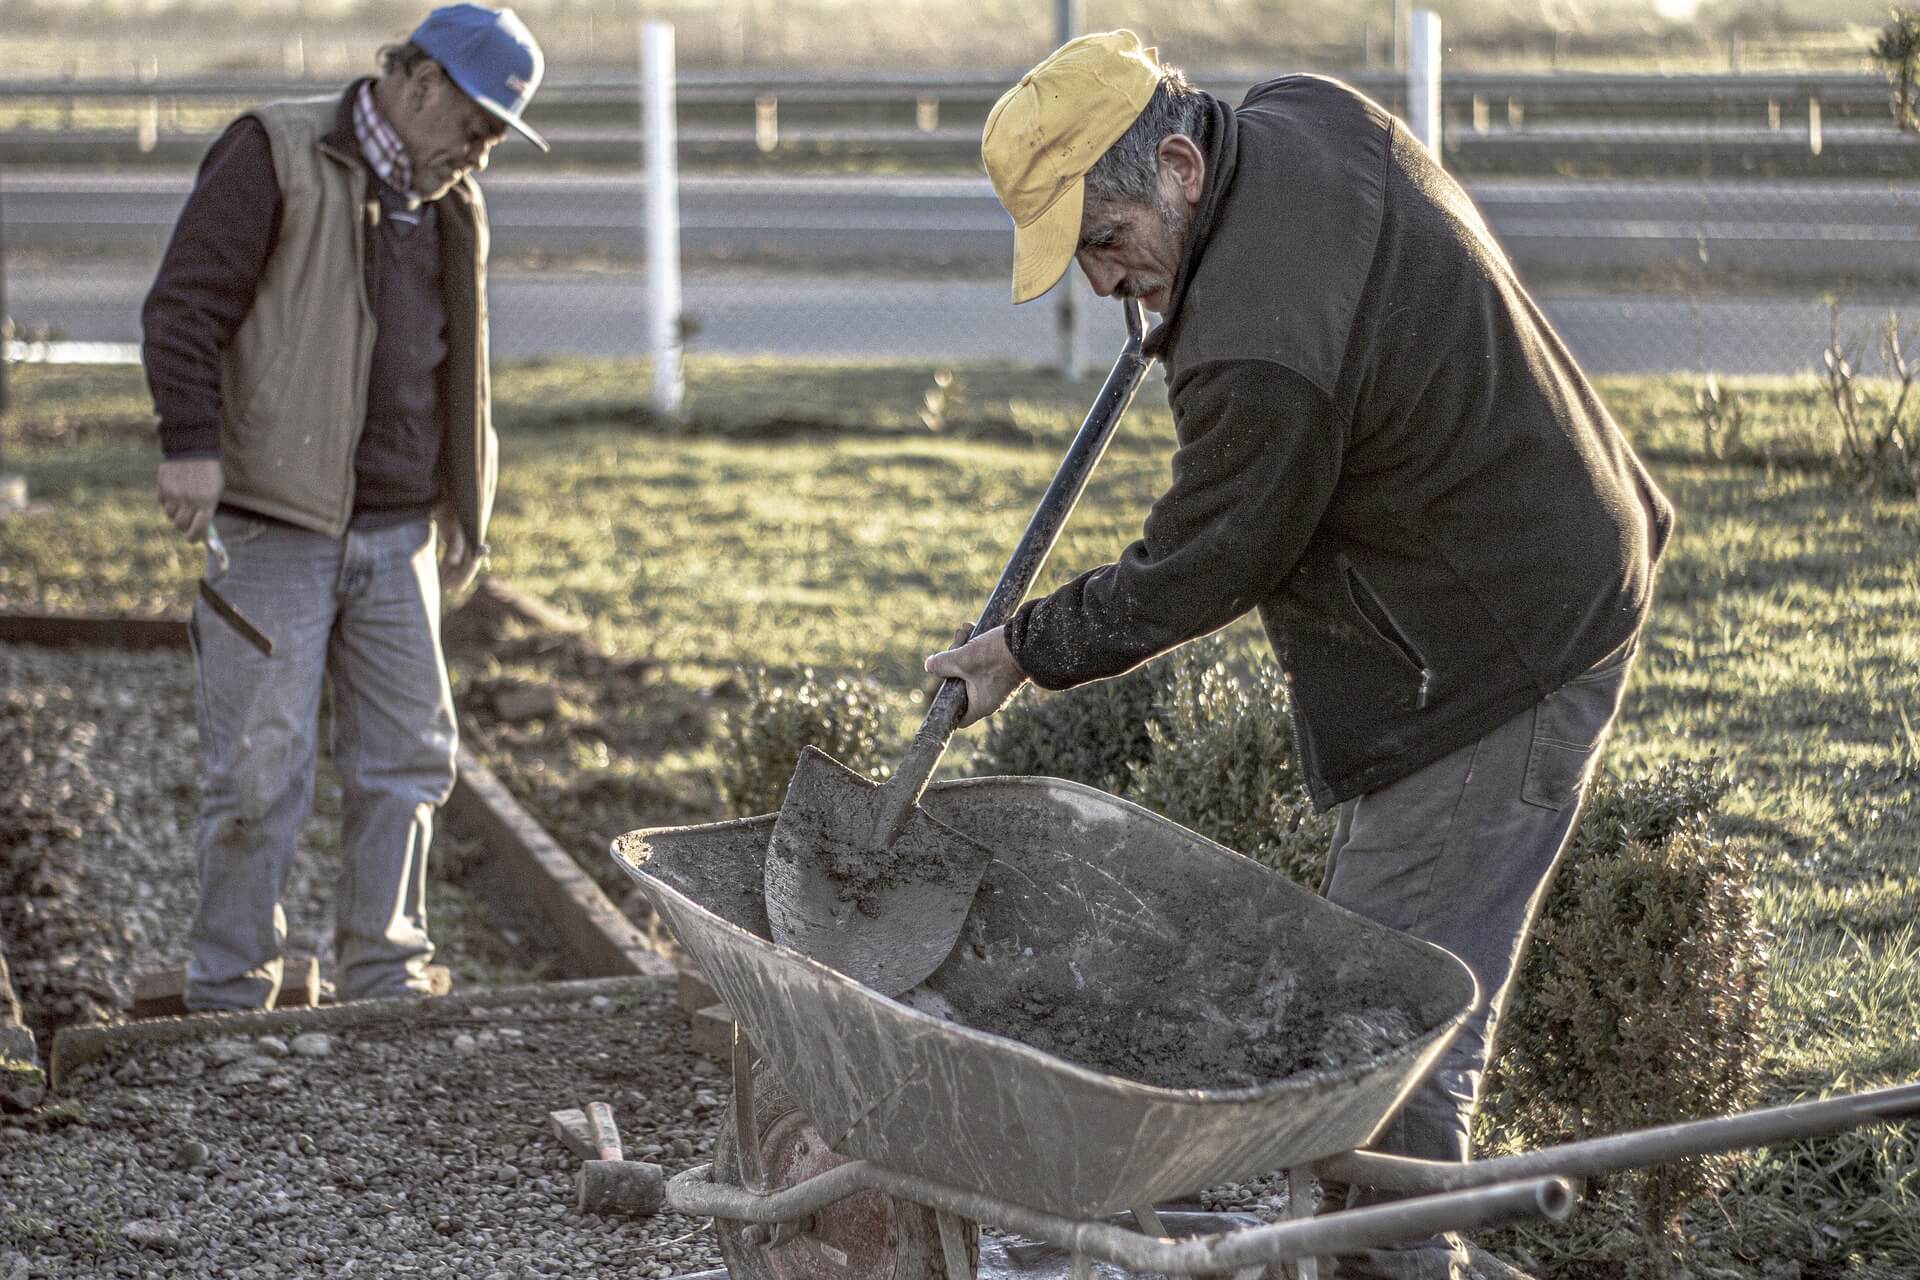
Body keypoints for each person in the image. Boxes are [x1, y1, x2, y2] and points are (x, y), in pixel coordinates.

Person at [927, 31, 1674, 1280]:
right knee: (1376, 990)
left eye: (1105, 243)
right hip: (1526, 558)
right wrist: (1182, 299)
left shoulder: (1257, 347)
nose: (1107, 283)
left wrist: (1026, 649)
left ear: (1174, 162)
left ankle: (1396, 1256)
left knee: (1379, 1049)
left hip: (1495, 651)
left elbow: (1210, 557)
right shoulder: (1293, 116)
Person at [141, 4, 547, 1010]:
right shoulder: (271, 152)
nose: (482, 151)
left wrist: (465, 500)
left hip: (400, 530)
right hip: (277, 522)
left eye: (497, 135)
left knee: (409, 760)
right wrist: (190, 445)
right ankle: (230, 989)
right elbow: (182, 309)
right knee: (257, 774)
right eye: (480, 124)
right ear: (420, 85)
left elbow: (459, 364)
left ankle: (386, 978)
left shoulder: (450, 199)